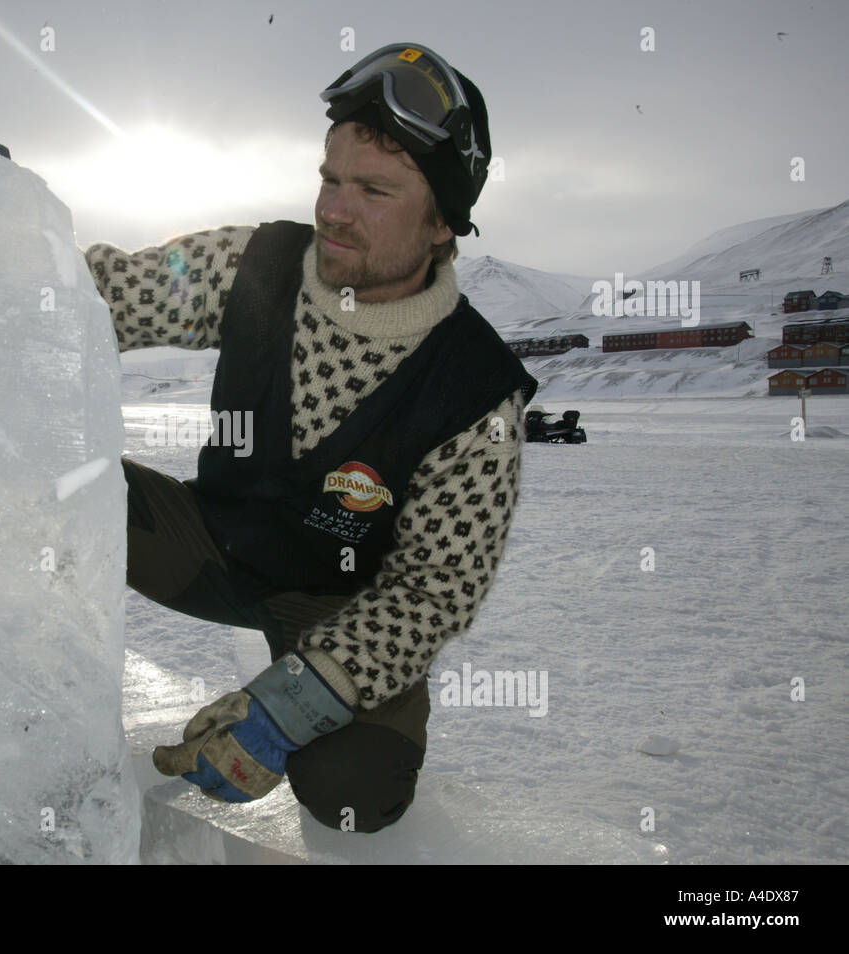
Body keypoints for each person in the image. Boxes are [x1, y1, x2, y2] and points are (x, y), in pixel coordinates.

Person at [84, 42, 537, 833]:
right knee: (37, 485)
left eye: (373, 190)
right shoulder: (257, 264)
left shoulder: (477, 393)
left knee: (354, 792)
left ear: (439, 224)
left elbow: (435, 591)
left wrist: (288, 706)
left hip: (343, 606)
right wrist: (7, 245)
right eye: (330, 178)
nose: (334, 208)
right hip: (214, 545)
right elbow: (116, 292)